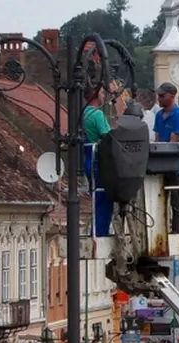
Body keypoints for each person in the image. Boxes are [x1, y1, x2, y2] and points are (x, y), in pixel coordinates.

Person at [152, 82, 179, 234]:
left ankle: (176, 232)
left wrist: (158, 150)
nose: (159, 99)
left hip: (176, 166)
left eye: (162, 96)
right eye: (158, 96)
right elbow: (158, 138)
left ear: (172, 96)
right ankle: (159, 230)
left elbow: (174, 141)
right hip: (161, 164)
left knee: (176, 202)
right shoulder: (158, 116)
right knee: (159, 200)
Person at [82, 86, 114, 237]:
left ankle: (95, 230)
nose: (103, 95)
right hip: (99, 161)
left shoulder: (83, 114)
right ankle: (101, 232)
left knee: (96, 198)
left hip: (88, 159)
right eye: (101, 92)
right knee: (104, 198)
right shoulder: (97, 114)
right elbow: (107, 137)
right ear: (94, 95)